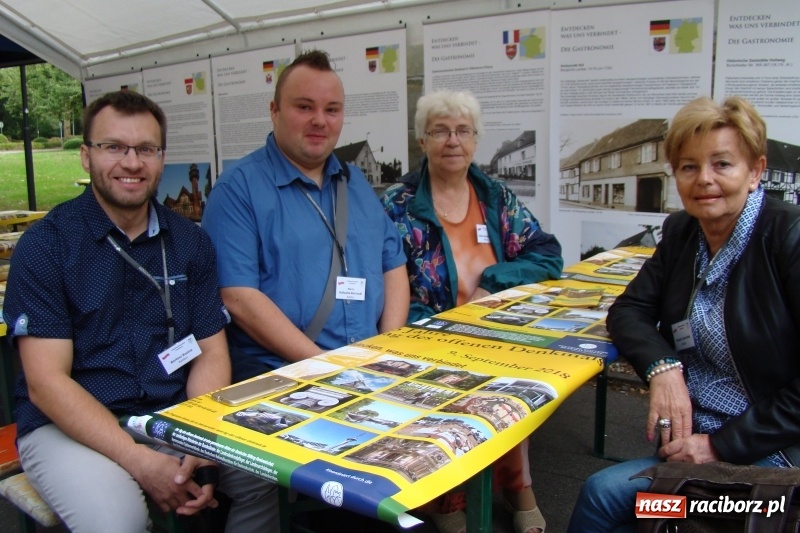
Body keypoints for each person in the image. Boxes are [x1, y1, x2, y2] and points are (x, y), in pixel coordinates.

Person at [2, 91, 277, 533]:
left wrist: (201, 437)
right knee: (118, 520)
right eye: (114, 147)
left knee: (260, 472)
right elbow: (47, 384)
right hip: (68, 424)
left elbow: (209, 351)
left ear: (161, 158)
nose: (131, 163)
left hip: (169, 411)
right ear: (86, 156)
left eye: (145, 149)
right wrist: (140, 461)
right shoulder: (48, 246)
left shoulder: (190, 242)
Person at [568, 96, 800, 532]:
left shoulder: (788, 236)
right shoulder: (683, 232)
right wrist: (664, 368)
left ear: (755, 171)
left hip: (770, 457)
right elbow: (630, 310)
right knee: (626, 510)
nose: (704, 180)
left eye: (722, 164)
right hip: (694, 445)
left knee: (623, 503)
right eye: (689, 167)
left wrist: (719, 446)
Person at [382, 89, 563, 533]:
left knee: (509, 394)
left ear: (476, 140)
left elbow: (546, 253)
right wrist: (440, 325)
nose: (452, 140)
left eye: (463, 130)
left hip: (496, 334)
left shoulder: (495, 197)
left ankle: (518, 487)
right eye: (439, 131)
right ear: (421, 141)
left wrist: (492, 282)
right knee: (447, 408)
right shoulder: (397, 205)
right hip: (431, 338)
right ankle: (448, 502)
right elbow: (385, 279)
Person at [203, 49, 409, 381]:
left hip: (370, 370)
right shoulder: (237, 189)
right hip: (288, 377)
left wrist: (387, 351)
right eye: (304, 107)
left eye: (332, 110)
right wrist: (328, 367)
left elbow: (393, 265)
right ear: (274, 111)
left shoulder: (355, 182)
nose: (319, 120)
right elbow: (239, 298)